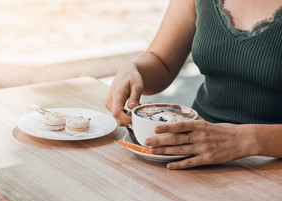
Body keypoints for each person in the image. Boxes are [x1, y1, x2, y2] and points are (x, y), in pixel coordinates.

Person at [105, 0, 282, 170]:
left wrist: (245, 140)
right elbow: (161, 61)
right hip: (190, 151)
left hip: (269, 167)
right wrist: (134, 69)